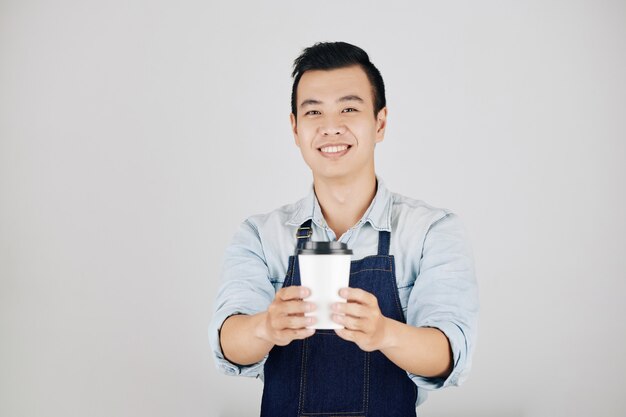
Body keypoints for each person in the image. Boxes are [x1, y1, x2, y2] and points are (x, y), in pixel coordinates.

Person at [208, 41, 479, 416]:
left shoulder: (431, 230)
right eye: (314, 112)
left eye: (349, 109)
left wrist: (384, 332)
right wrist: (265, 328)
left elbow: (448, 354)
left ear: (380, 123)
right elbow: (228, 342)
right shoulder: (260, 234)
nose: (331, 127)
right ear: (295, 128)